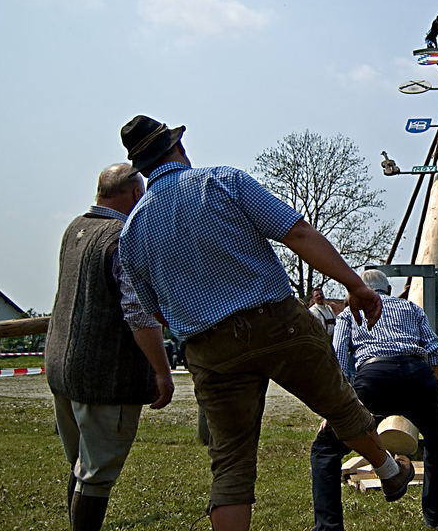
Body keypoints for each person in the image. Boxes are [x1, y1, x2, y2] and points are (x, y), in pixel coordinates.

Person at [117, 116, 412, 531]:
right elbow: (298, 234)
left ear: (142, 170)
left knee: (232, 465)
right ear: (178, 148)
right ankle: (388, 470)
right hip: (276, 322)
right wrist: (355, 286)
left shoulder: (130, 234)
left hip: (209, 347)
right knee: (339, 404)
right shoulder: (222, 181)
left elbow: (156, 311)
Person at [45, 163, 175, 531]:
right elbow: (138, 314)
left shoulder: (75, 229)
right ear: (136, 194)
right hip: (104, 375)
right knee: (97, 475)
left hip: (63, 370)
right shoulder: (122, 237)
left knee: (82, 467)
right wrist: (161, 371)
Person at [311, 269, 438, 530]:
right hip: (418, 375)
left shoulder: (350, 312)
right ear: (387, 288)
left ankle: (328, 527)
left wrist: (334, 411)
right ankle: (436, 516)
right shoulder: (411, 308)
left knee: (325, 450)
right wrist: (434, 394)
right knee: (435, 442)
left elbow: (339, 360)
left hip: (374, 378)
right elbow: (434, 350)